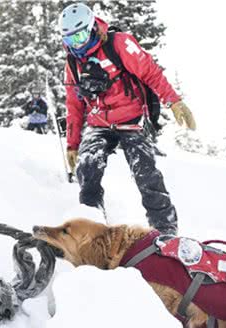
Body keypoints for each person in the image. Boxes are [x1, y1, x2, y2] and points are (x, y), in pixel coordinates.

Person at [59, 3, 197, 235]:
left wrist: (173, 101)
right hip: (99, 123)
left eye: (81, 35)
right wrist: (72, 144)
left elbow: (150, 72)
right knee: (88, 165)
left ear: (92, 28)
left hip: (131, 118)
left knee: (145, 171)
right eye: (71, 40)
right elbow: (74, 105)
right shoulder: (73, 63)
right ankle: (92, 221)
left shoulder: (119, 44)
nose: (78, 44)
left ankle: (165, 229)